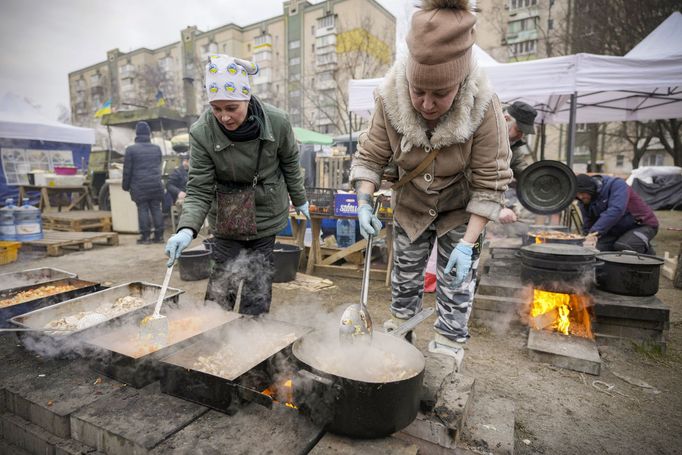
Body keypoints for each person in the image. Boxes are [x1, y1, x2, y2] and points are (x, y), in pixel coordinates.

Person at [350, 0, 512, 358]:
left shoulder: (484, 106)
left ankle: (448, 351)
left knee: (455, 288)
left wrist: (468, 243)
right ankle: (398, 349)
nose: (426, 104)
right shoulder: (389, 97)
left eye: (440, 94)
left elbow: (491, 180)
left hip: (459, 210)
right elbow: (371, 156)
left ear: (460, 83)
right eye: (418, 91)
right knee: (404, 283)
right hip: (410, 206)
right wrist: (363, 202)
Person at [164, 54, 309, 316]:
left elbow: (289, 162)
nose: (224, 117)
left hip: (265, 207)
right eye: (216, 109)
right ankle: (214, 338)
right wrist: (186, 229)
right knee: (222, 283)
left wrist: (300, 198)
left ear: (247, 98)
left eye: (231, 108)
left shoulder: (277, 122)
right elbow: (199, 186)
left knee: (257, 282)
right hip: (226, 213)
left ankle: (252, 338)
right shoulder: (202, 132)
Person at [575, 174, 658, 254]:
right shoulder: (584, 199)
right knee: (594, 250)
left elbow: (616, 210)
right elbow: (588, 221)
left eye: (582, 193)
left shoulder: (616, 185)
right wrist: (585, 238)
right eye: (577, 195)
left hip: (641, 225)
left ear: (590, 188)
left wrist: (594, 232)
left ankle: (649, 257)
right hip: (616, 230)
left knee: (625, 246)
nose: (580, 197)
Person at [122, 121, 165, 244]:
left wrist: (125, 186)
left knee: (143, 209)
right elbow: (159, 165)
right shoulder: (157, 149)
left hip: (139, 186)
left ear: (137, 133)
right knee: (156, 208)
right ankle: (159, 236)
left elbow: (127, 171)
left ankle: (145, 237)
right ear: (148, 134)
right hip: (156, 184)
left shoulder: (131, 150)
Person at [498, 101, 538, 224]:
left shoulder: (513, 145)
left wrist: (539, 182)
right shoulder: (483, 136)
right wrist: (499, 206)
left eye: (524, 132)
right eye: (519, 130)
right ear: (505, 119)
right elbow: (482, 176)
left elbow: (521, 169)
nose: (521, 136)